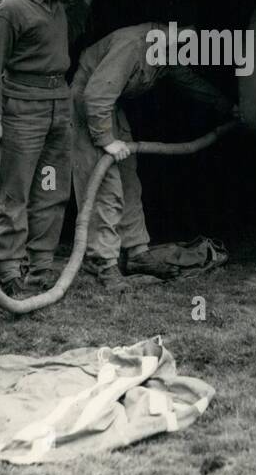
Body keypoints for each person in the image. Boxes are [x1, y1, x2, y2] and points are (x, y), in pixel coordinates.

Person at [71, 22, 238, 289]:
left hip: (110, 108)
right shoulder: (134, 44)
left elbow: (188, 82)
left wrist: (228, 107)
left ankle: (137, 253)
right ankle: (104, 264)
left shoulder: (166, 49)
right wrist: (105, 140)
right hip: (88, 108)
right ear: (173, 29)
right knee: (104, 185)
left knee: (128, 181)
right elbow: (95, 94)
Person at [0, 0, 92, 295]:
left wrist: (85, 4)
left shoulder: (58, 7)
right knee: (15, 194)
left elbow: (61, 43)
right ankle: (8, 271)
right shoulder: (10, 10)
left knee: (52, 189)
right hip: (22, 111)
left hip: (58, 107)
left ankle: (39, 269)